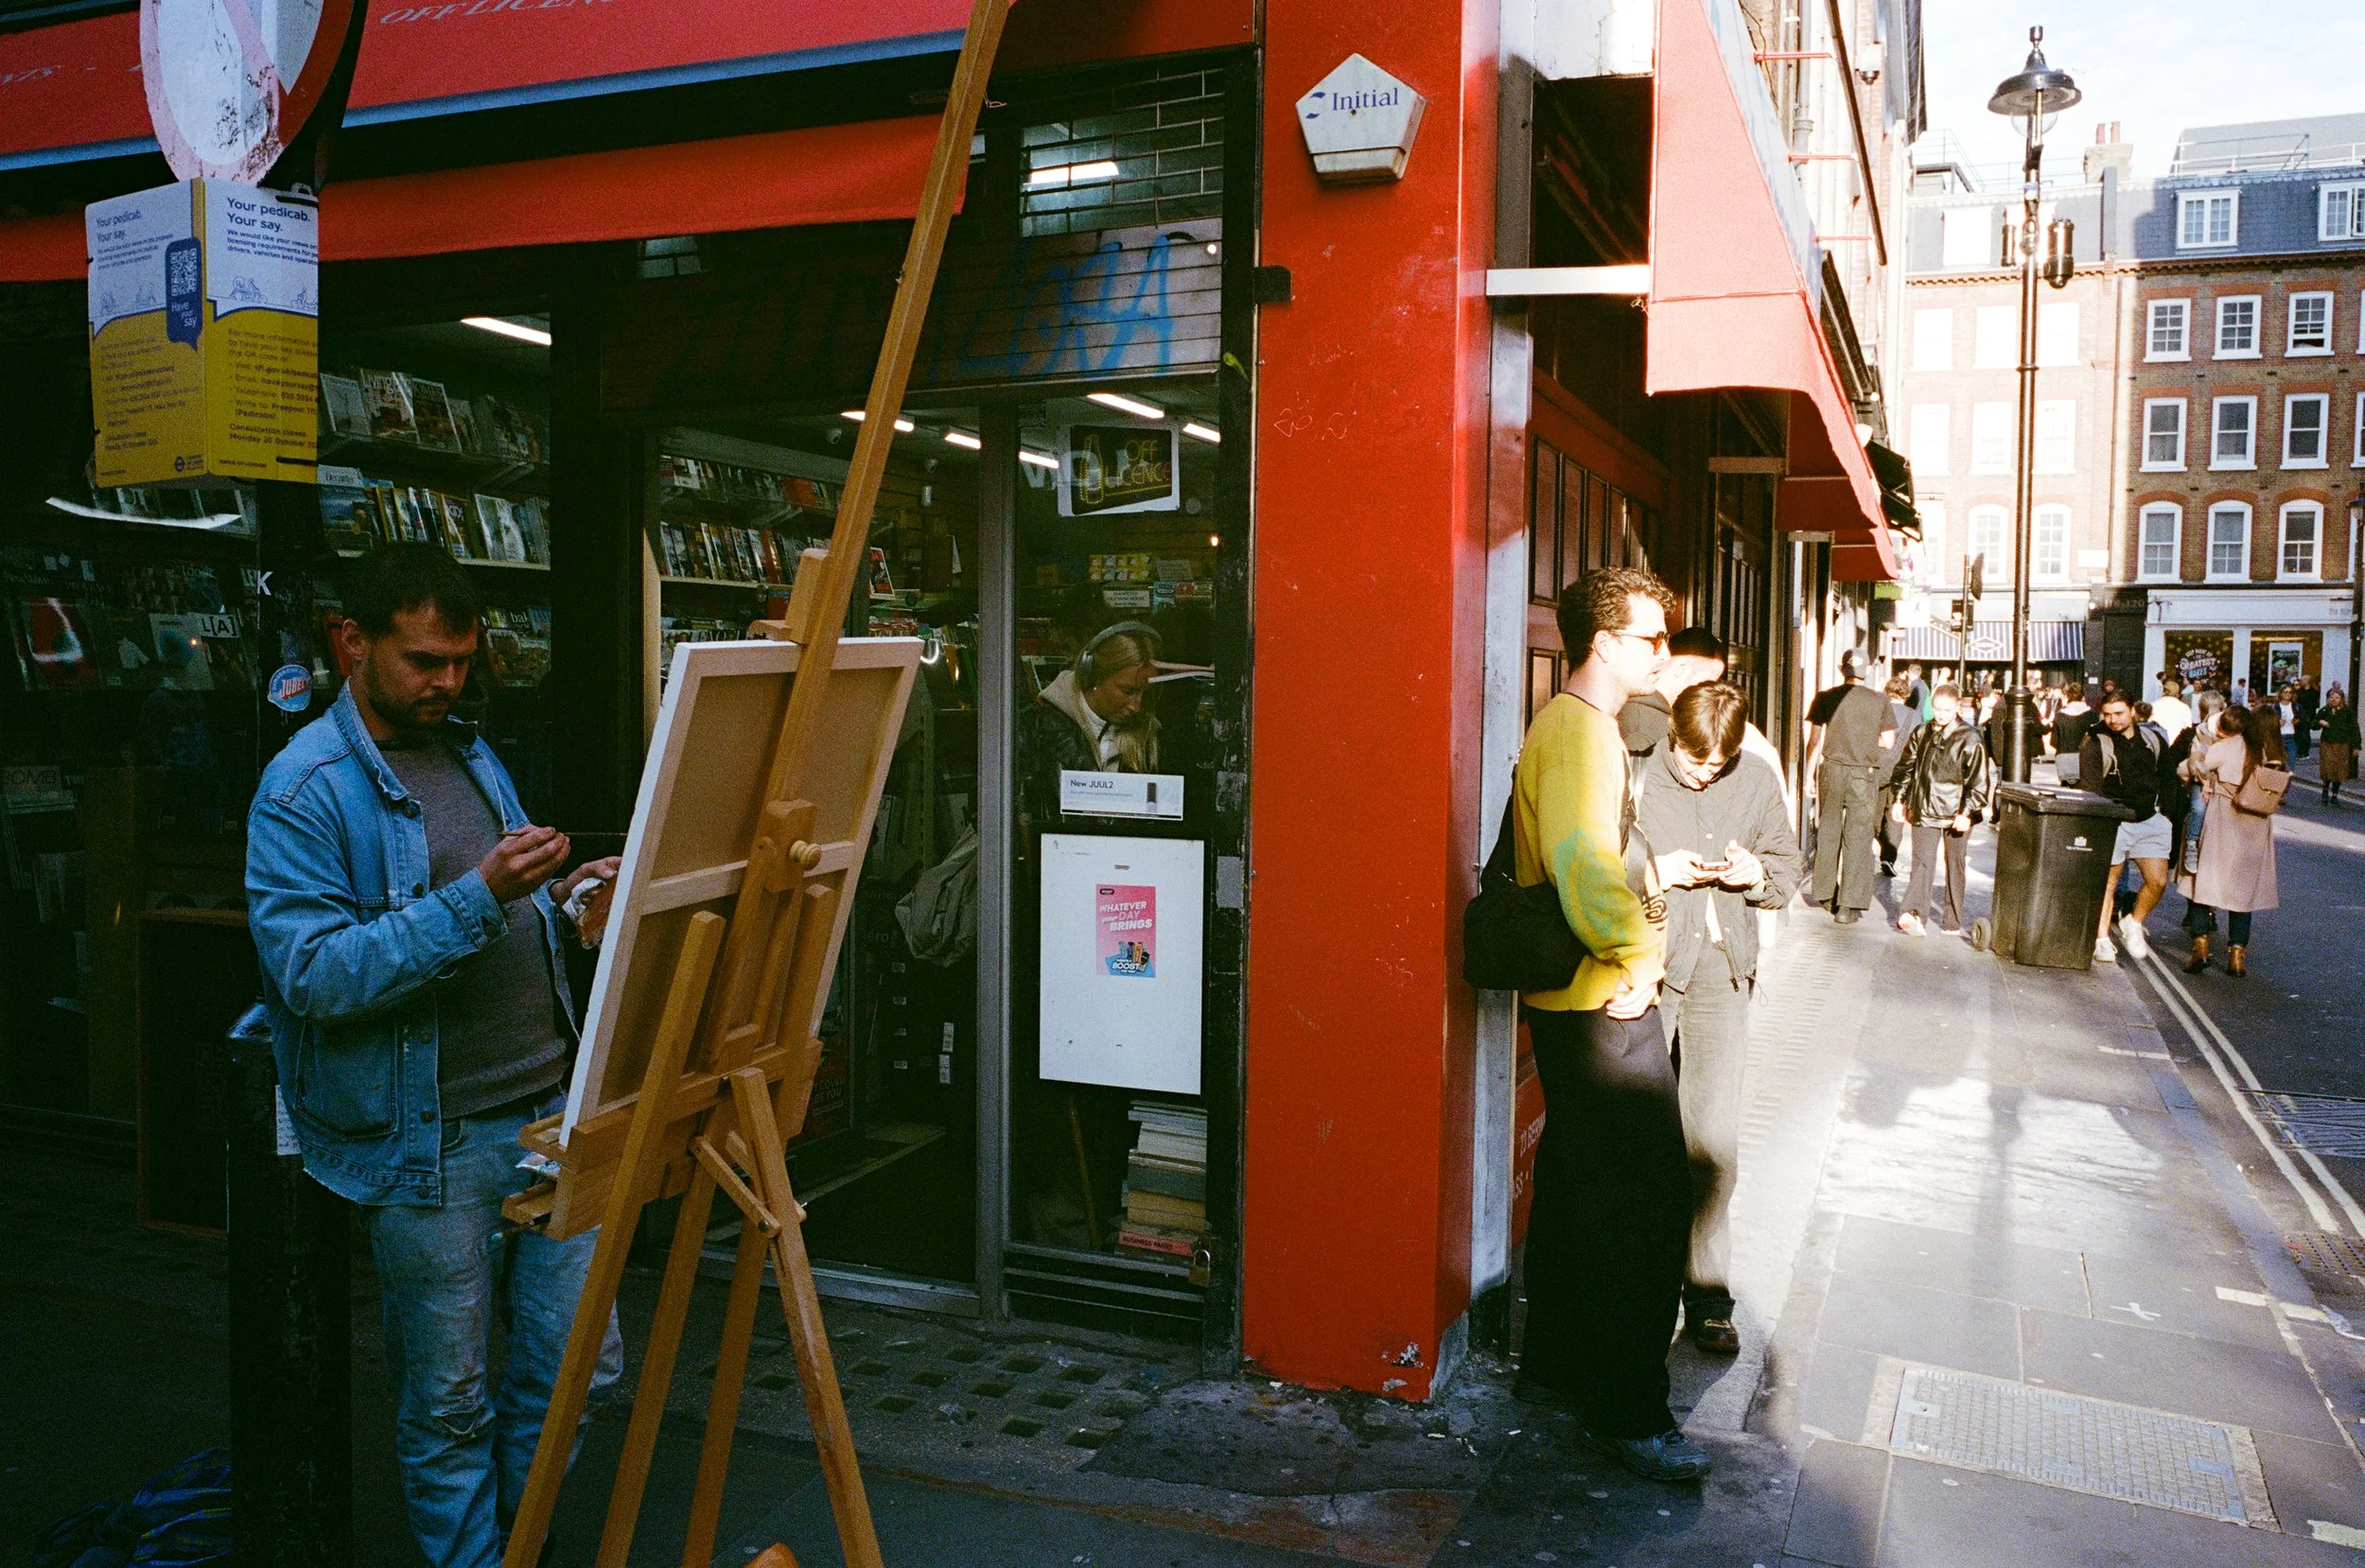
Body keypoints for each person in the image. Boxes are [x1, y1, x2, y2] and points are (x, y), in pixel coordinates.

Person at [246, 546, 622, 1568]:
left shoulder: (465, 748)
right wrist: (484, 896)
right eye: (423, 660)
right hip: (431, 1139)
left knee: (580, 1364)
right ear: (350, 642)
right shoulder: (302, 789)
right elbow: (313, 974)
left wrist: (565, 895)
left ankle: (515, 1540)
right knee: (449, 1394)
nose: (446, 682)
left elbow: (499, 899)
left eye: (461, 660)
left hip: (545, 1109)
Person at [1512, 567, 1709, 1484]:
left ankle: (1552, 1364)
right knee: (1647, 1203)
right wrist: (1637, 959)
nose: (1661, 653)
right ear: (1603, 641)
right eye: (1650, 638)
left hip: (1576, 998)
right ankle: (1629, 1409)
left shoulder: (1567, 724)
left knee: (1577, 1183)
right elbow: (1584, 864)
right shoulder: (1583, 733)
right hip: (1603, 997)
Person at [1635, 681, 1799, 1361]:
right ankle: (1637, 1287)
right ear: (1672, 737)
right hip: (1644, 967)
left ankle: (1707, 1296)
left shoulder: (1755, 777)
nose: (1703, 774)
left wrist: (1754, 875)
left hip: (1720, 972)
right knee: (1639, 1138)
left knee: (1713, 1142)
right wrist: (1654, 869)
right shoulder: (1635, 772)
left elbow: (1788, 875)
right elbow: (1594, 866)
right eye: (1693, 762)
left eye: (1716, 766)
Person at [2181, 704, 2282, 976]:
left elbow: (2184, 769)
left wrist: (2202, 777)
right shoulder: (2265, 751)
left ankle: (2200, 949)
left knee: (2202, 886)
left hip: (2222, 821)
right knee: (2242, 895)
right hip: (2255, 828)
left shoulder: (2225, 748)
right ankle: (2237, 958)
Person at [1888, 684, 1992, 936]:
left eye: (1947, 709)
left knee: (1955, 864)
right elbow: (1905, 769)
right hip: (1925, 807)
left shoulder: (1971, 737)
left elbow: (1978, 781)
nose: (1942, 714)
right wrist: (1899, 800)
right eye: (1937, 709)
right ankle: (1913, 913)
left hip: (1956, 811)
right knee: (1922, 863)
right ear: (1931, 706)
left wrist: (1966, 813)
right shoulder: (1922, 732)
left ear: (1957, 707)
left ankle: (1952, 919)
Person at [1804, 650, 1896, 926]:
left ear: (1841, 668)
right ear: (1866, 670)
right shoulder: (1880, 701)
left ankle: (1824, 895)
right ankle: (1848, 906)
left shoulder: (1825, 697)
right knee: (1858, 836)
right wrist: (1865, 746)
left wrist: (1809, 776)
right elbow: (1889, 742)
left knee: (1829, 829)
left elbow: (1815, 741)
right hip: (1863, 774)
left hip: (1831, 769)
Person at [2081, 692, 2172, 964]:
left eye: (2119, 713)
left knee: (2157, 881)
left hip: (2148, 818)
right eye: (2108, 714)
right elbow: (2089, 789)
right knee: (2108, 884)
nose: (2113, 720)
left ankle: (2133, 921)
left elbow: (2168, 778)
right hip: (2114, 821)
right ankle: (2101, 940)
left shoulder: (2152, 740)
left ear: (2133, 711)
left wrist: (2166, 815)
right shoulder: (2095, 741)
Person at [2318, 685, 2358, 806]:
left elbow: (2354, 729)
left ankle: (2335, 795)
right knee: (2327, 768)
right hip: (2327, 744)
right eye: (2331, 697)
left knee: (2339, 770)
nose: (2333, 699)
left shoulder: (2347, 712)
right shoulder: (2325, 710)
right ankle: (2325, 790)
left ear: (2341, 699)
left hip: (2342, 744)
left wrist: (2356, 746)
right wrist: (2320, 722)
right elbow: (2313, 722)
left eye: (2336, 697)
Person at [2049, 681, 2094, 785]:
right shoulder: (2092, 716)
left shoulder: (2060, 716)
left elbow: (2054, 741)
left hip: (2064, 757)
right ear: (2083, 697)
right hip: (2086, 759)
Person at [2150, 676, 2192, 743]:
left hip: (2159, 742)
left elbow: (2150, 724)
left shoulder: (2154, 705)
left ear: (2164, 691)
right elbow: (2188, 727)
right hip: (2178, 743)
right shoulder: (2184, 707)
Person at [2295, 678, 2321, 760]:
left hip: (2308, 716)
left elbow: (2313, 705)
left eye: (2302, 680)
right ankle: (2299, 752)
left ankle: (2305, 752)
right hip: (2300, 715)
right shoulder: (2299, 692)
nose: (2301, 682)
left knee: (2305, 734)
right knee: (2298, 734)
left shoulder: (2313, 692)